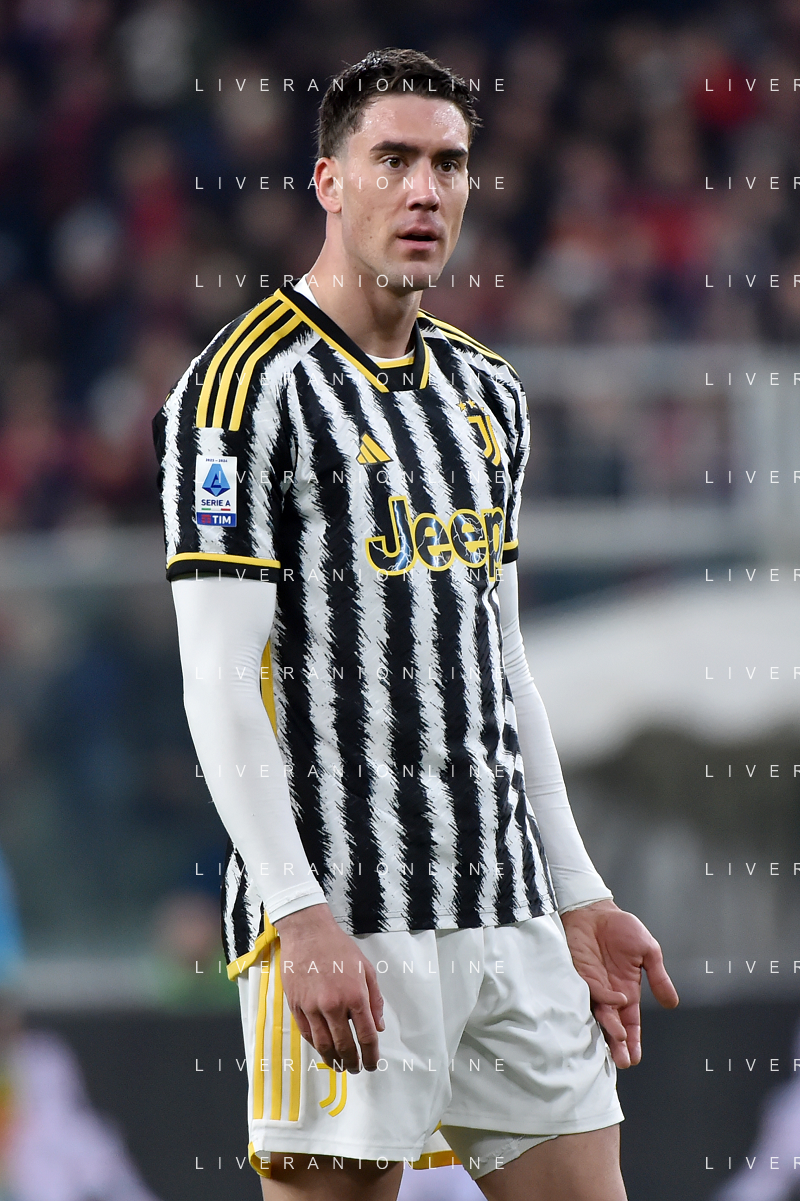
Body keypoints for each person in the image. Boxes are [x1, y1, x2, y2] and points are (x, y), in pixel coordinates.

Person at [153, 47, 679, 1201]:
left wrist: (578, 891)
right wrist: (298, 916)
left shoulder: (488, 392)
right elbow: (217, 679)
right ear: (328, 181)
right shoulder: (238, 394)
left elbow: (503, 664)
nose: (424, 190)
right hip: (347, 912)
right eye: (392, 160)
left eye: (448, 164)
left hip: (507, 909)